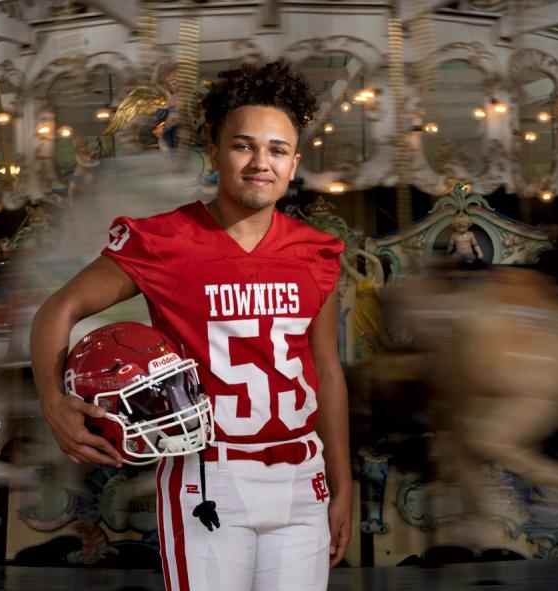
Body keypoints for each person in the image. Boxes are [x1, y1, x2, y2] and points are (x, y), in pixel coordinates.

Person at [30, 59, 351, 591]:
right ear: (215, 153)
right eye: (244, 145)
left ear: (293, 164)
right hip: (210, 473)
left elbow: (328, 373)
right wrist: (51, 400)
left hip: (303, 478)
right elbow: (56, 310)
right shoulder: (164, 241)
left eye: (276, 150)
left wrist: (342, 488)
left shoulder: (317, 252)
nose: (260, 163)